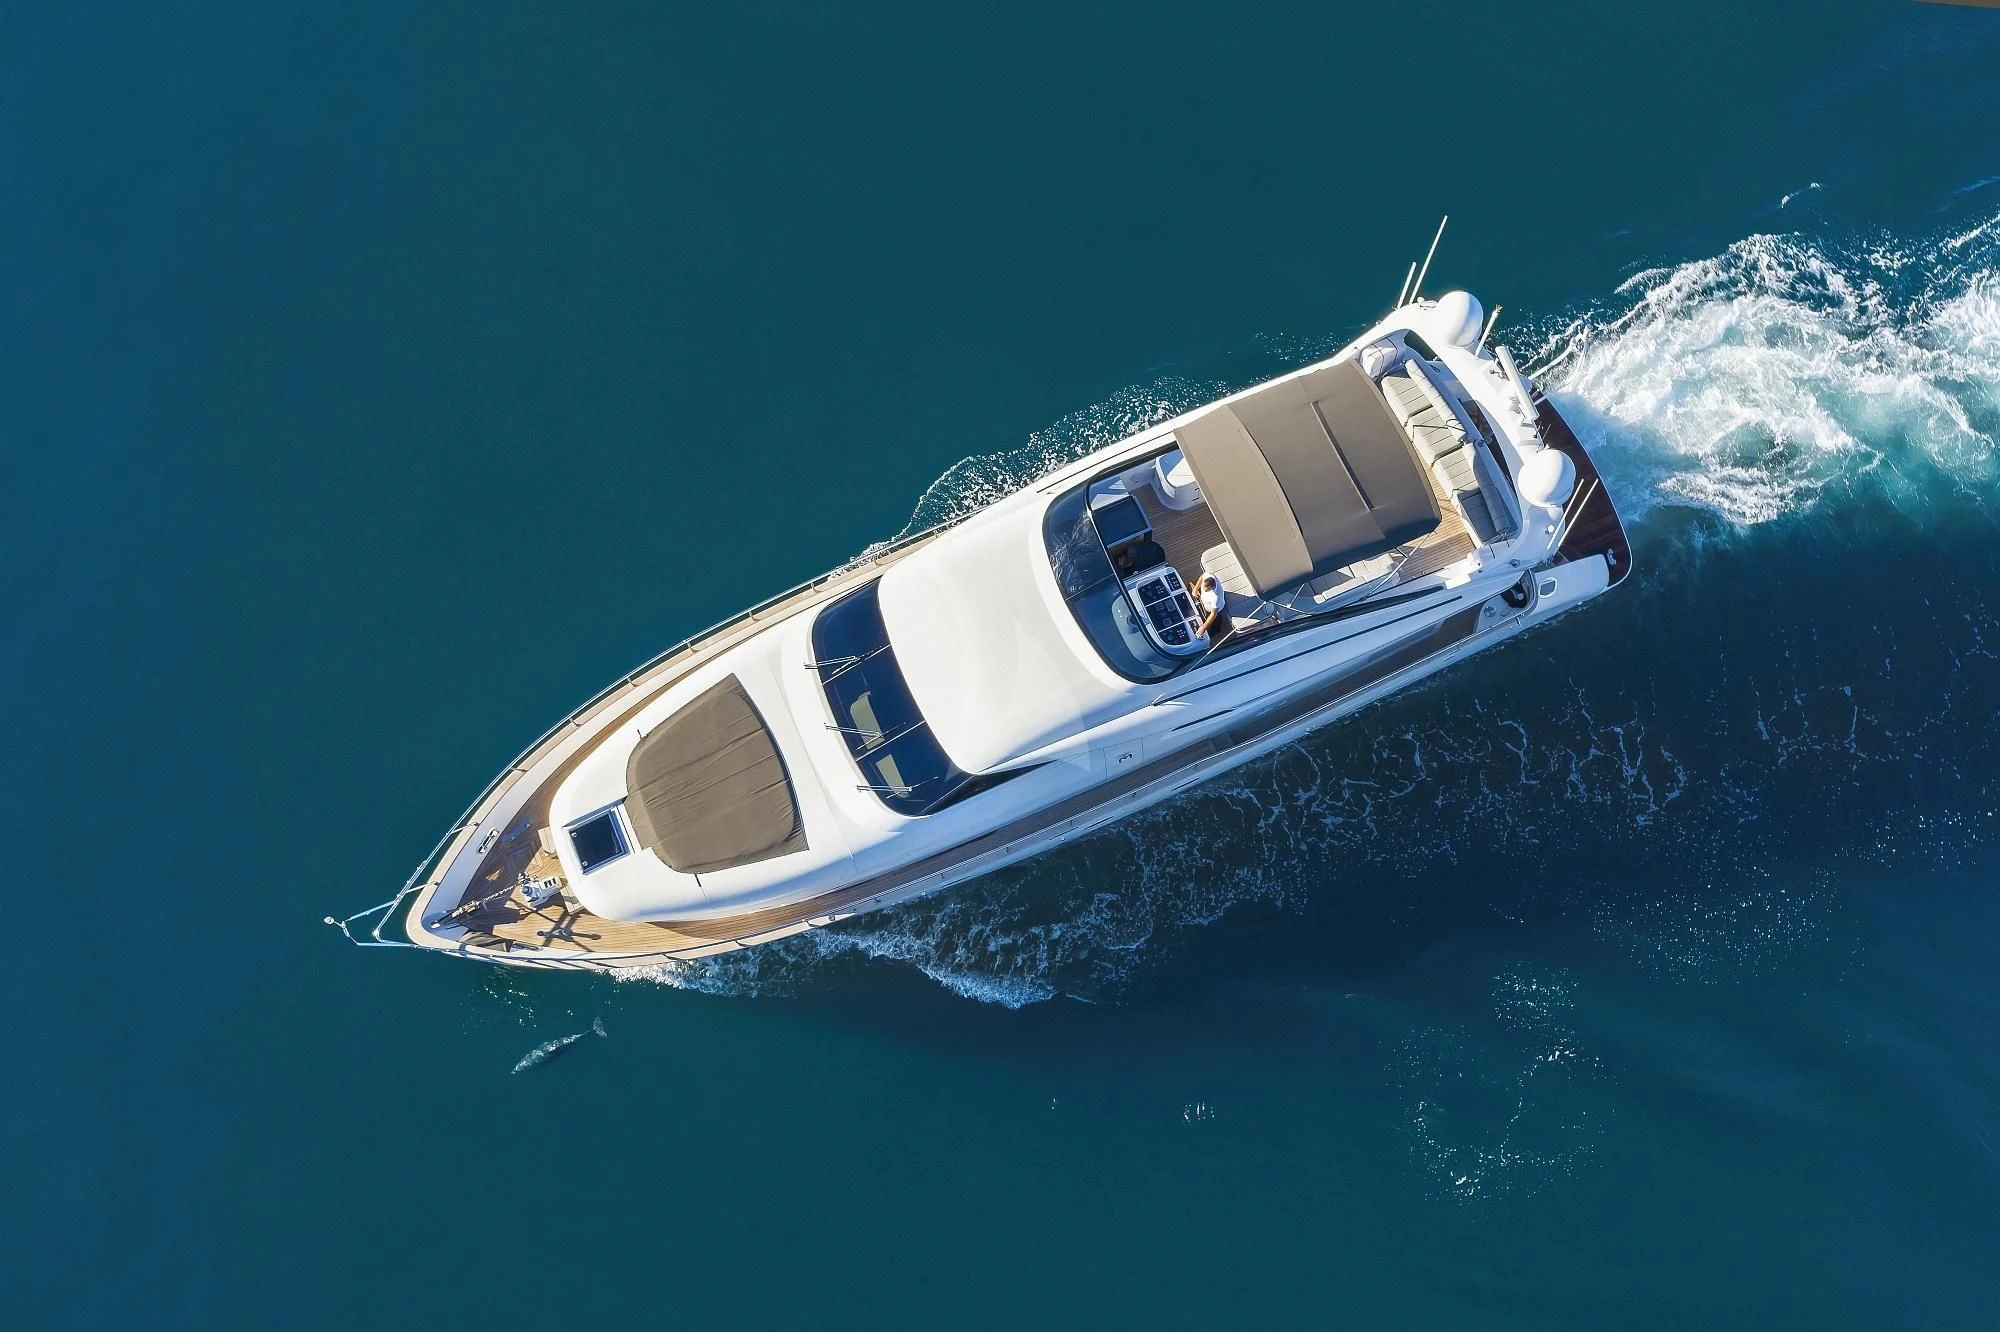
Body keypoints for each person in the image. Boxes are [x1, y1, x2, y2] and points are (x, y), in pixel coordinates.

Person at [1194, 572, 1227, 641]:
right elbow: (1202, 577)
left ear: (1211, 588)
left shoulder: (1216, 597)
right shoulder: (1208, 575)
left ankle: (1215, 633)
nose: (1204, 590)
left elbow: (1213, 614)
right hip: (1206, 605)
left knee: (1215, 622)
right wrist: (1195, 589)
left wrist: (1203, 628)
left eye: (1206, 590)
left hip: (1215, 610)